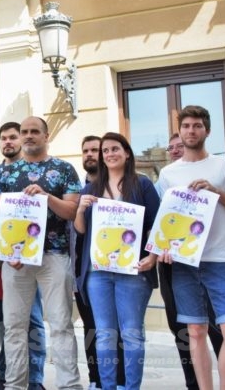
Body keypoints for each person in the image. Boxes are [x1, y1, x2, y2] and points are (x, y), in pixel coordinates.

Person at [0, 116, 82, 390]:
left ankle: (69, 386)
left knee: (61, 323)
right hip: (15, 259)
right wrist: (8, 252)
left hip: (54, 255)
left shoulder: (64, 169)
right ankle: (15, 385)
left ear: (46, 135)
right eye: (24, 132)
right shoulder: (5, 173)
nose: (28, 135)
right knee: (14, 326)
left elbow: (71, 211)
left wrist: (46, 197)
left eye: (34, 131)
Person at [157, 105, 225, 390]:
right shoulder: (168, 174)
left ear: (207, 130)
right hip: (183, 262)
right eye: (186, 126)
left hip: (219, 259)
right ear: (180, 131)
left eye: (197, 126)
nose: (191, 131)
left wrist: (216, 192)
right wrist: (163, 248)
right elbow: (165, 220)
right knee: (195, 331)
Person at [74, 133, 161, 389]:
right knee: (104, 335)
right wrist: (80, 209)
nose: (110, 154)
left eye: (115, 149)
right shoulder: (90, 189)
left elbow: (156, 226)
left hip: (133, 270)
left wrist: (153, 257)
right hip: (98, 272)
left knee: (132, 334)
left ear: (127, 153)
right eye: (105, 151)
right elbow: (80, 230)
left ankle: (131, 387)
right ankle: (108, 386)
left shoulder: (142, 184)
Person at [0, 122, 46, 390]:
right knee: (7, 322)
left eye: (13, 137)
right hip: (3, 261)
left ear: (21, 139)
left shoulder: (35, 171)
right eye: (4, 138)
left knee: (33, 319)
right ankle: (6, 375)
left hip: (32, 257)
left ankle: (35, 379)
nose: (8, 141)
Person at [72, 135, 126, 390]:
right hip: (84, 270)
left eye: (95, 150)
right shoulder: (78, 190)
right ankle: (96, 379)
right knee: (91, 328)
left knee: (118, 328)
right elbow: (76, 232)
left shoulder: (119, 187)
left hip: (118, 267)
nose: (90, 155)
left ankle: (120, 380)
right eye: (86, 151)